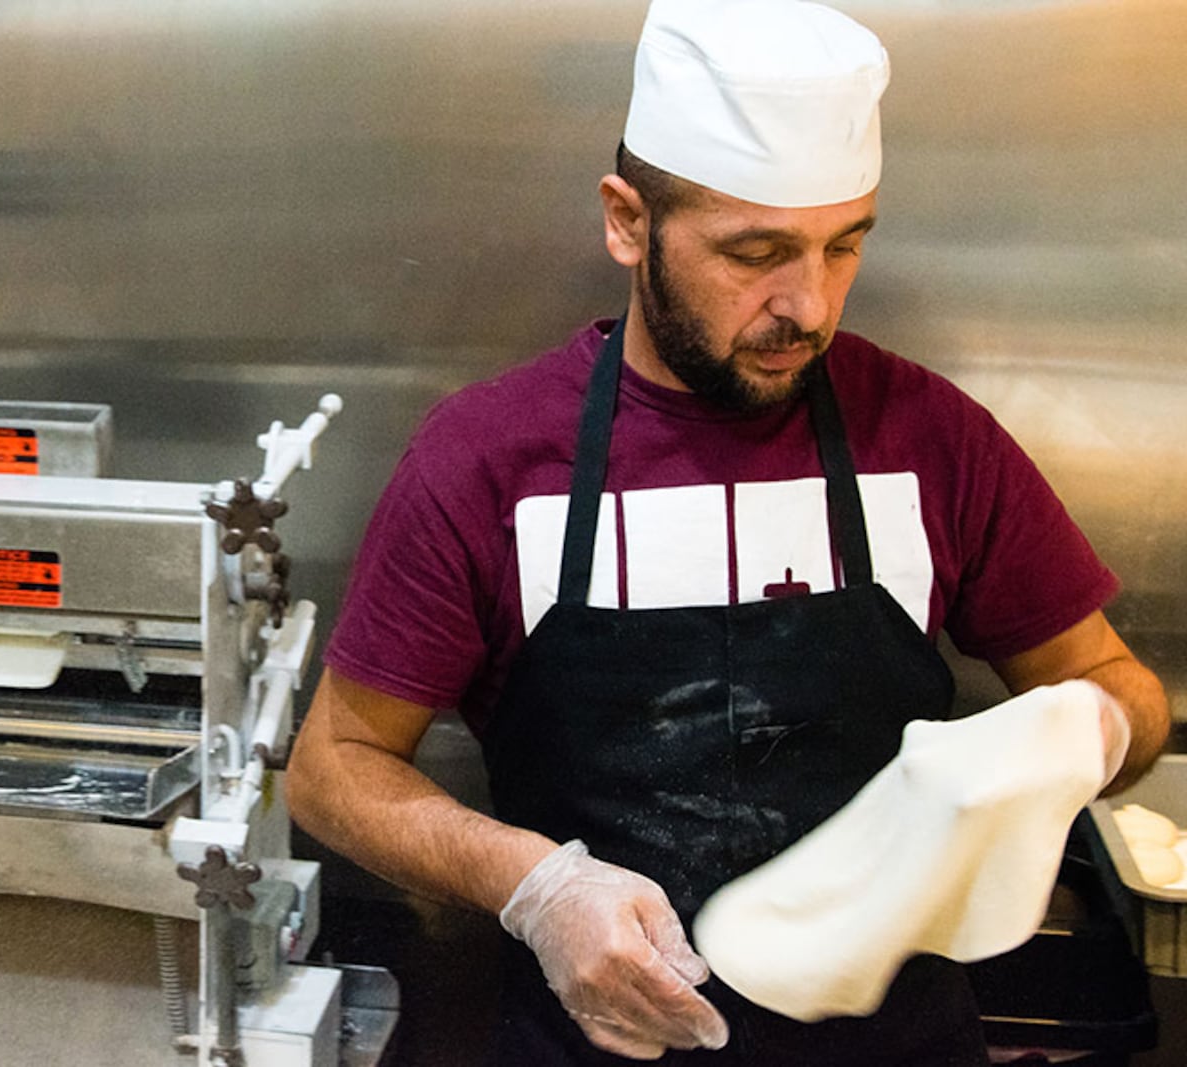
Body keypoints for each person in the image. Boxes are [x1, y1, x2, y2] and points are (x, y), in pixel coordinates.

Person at [285, 0, 1170, 1063]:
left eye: (843, 245)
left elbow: (1123, 688)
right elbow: (334, 765)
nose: (808, 303)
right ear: (626, 221)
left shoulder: (932, 439)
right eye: (755, 252)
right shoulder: (488, 460)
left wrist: (1086, 734)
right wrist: (536, 884)